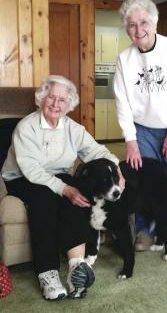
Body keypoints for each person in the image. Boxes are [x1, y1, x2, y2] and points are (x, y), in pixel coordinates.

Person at [1, 75, 125, 300]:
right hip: (21, 177)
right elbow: (32, 171)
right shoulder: (26, 127)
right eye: (51, 98)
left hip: (55, 175)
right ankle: (47, 273)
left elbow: (97, 151)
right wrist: (65, 189)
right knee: (46, 198)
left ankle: (77, 267)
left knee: (79, 193)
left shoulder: (72, 128)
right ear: (41, 99)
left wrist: (118, 170)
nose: (56, 104)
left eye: (62, 100)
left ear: (69, 104)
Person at [113, 0, 167, 258]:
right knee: (142, 177)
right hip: (144, 128)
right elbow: (122, 102)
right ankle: (145, 230)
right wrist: (130, 140)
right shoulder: (124, 60)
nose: (138, 30)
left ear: (155, 22)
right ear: (126, 28)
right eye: (131, 24)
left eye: (144, 22)